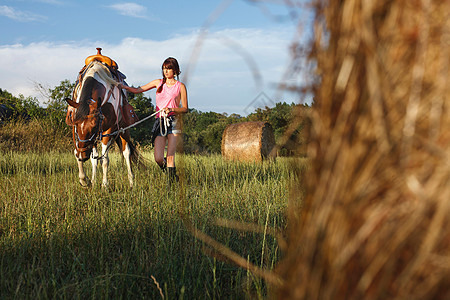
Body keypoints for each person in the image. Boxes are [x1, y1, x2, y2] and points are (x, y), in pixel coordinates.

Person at [119, 57, 188, 184]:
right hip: (159, 122)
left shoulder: (180, 86)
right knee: (158, 158)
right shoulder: (158, 83)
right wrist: (123, 86)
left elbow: (185, 108)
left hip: (173, 122)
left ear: (176, 70)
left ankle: (170, 188)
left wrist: (172, 109)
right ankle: (172, 175)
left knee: (171, 157)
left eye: (169, 68)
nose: (166, 71)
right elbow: (139, 90)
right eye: (164, 68)